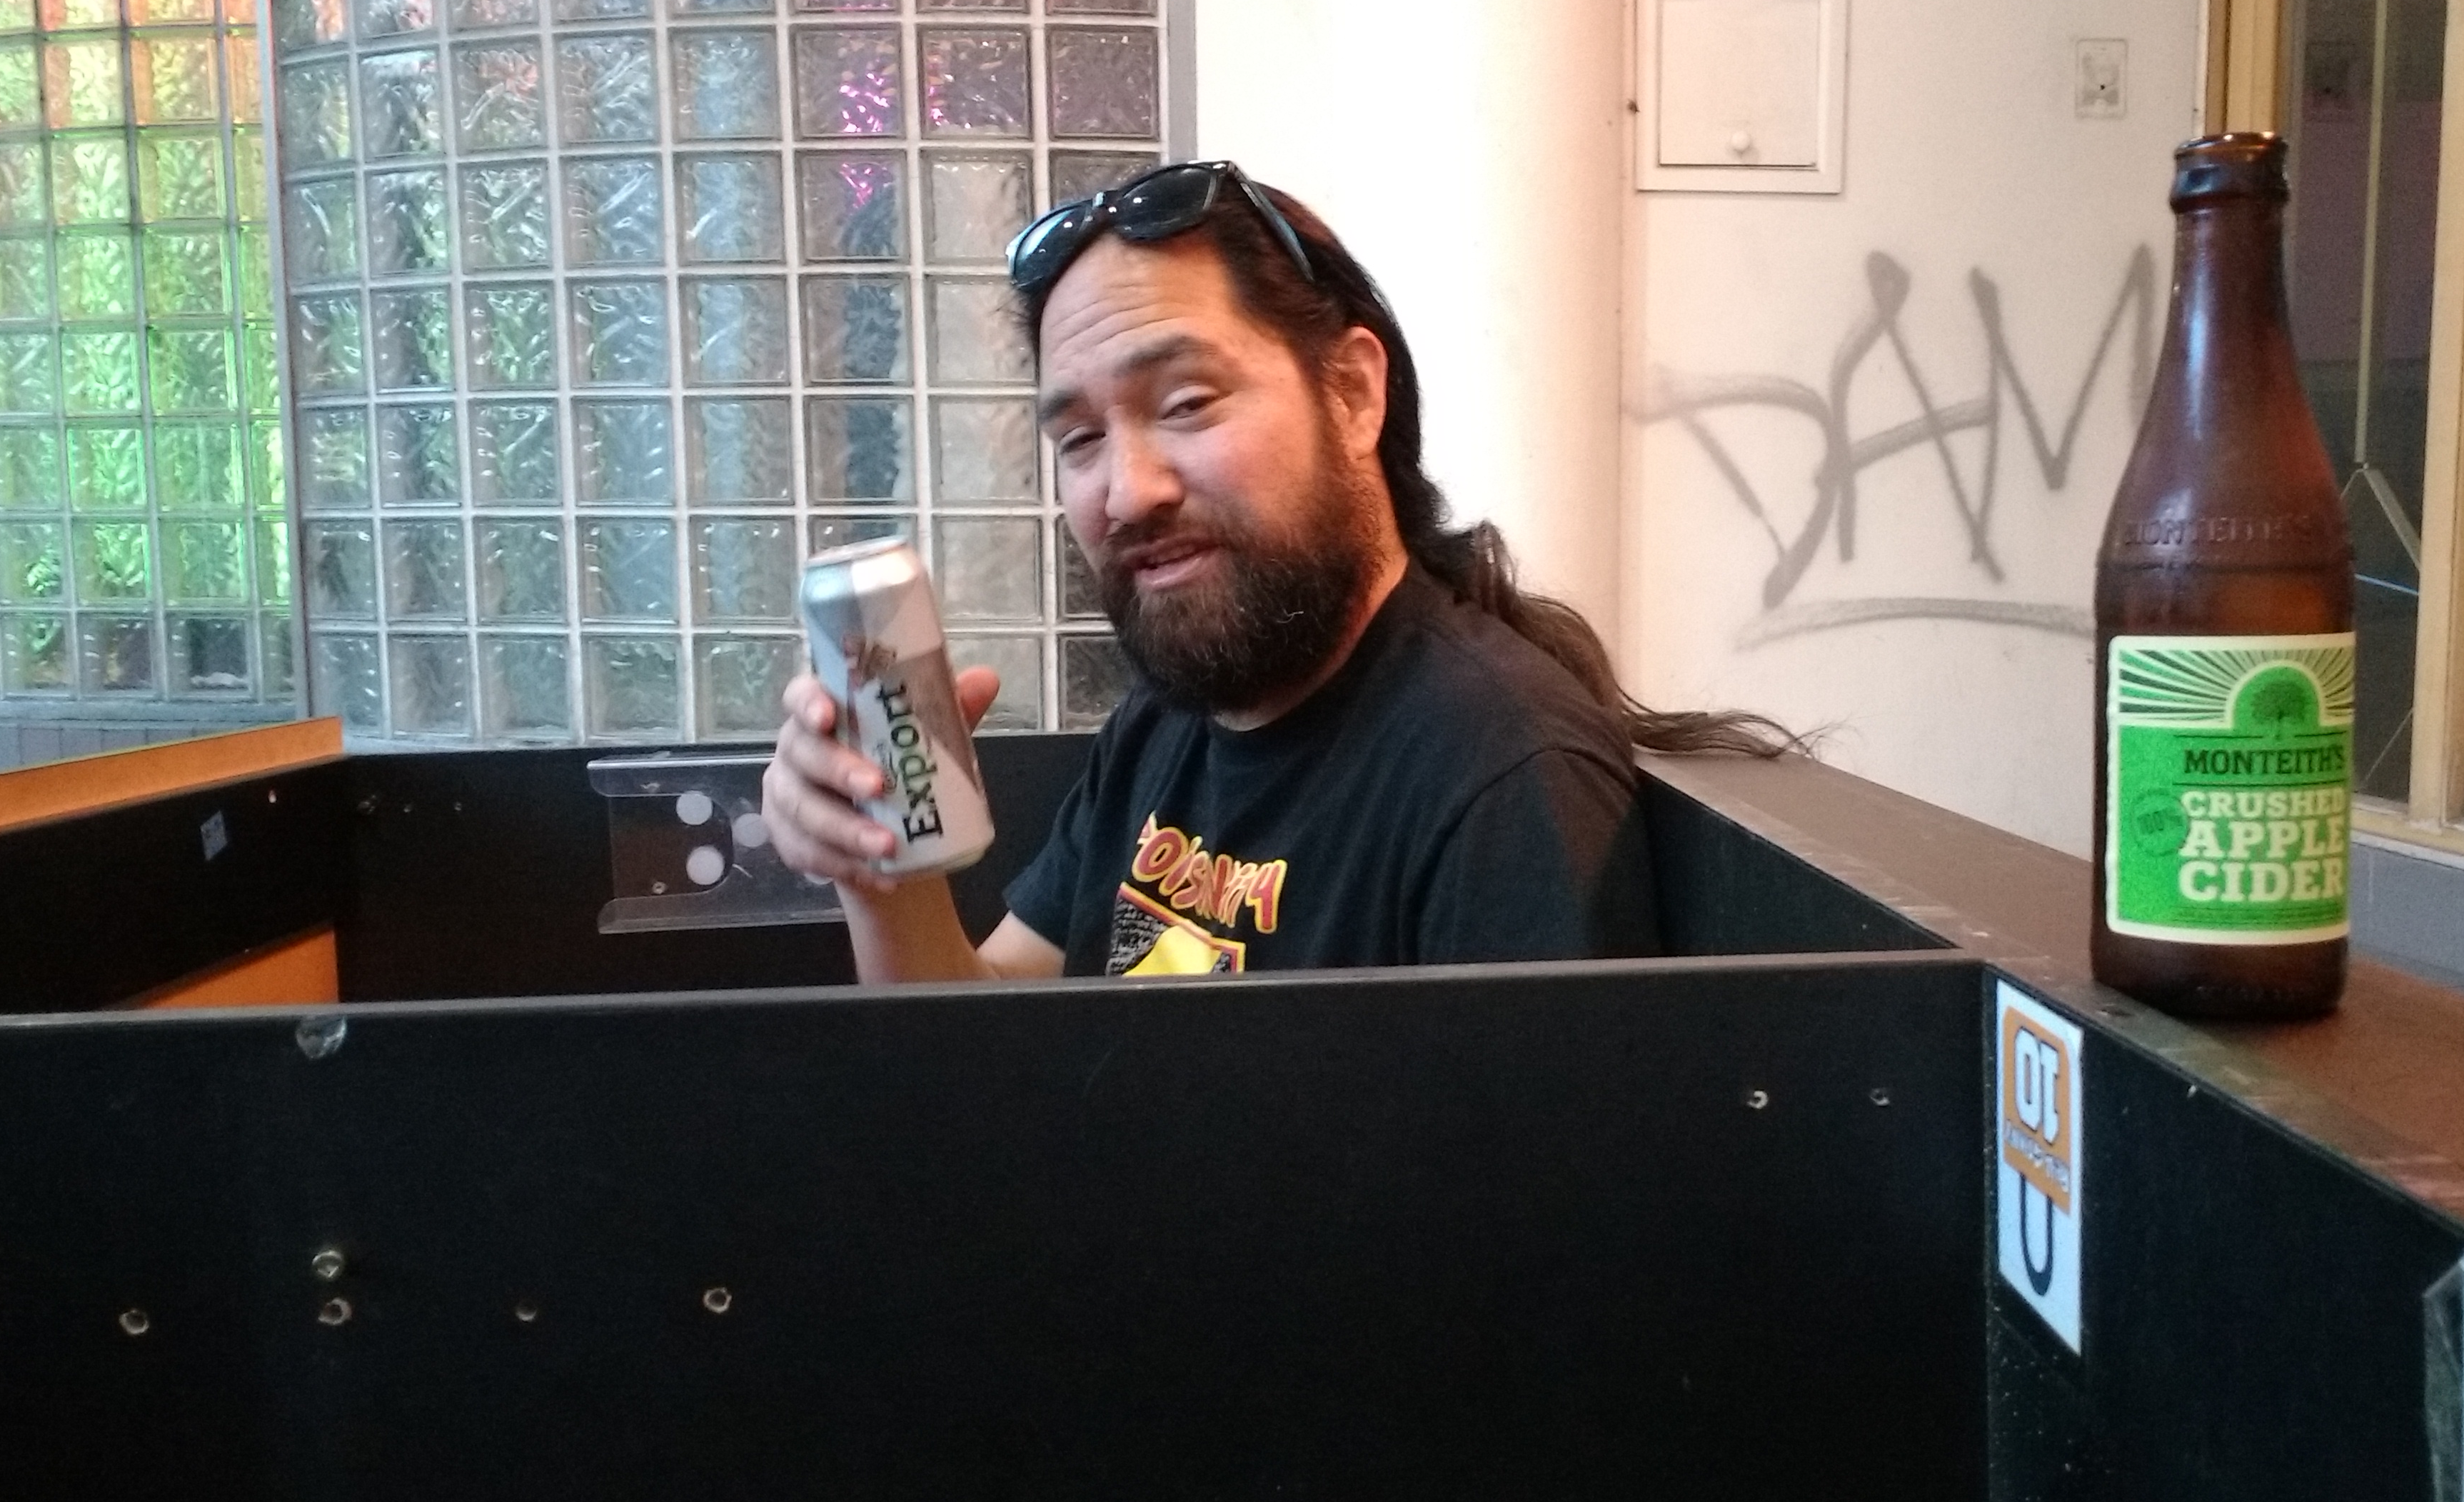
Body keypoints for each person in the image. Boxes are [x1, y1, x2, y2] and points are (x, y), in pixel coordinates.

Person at [763, 161, 1786, 981]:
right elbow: (979, 1048)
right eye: (1079, 439)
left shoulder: (1502, 781)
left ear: (1353, 394)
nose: (1128, 490)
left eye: (1187, 403)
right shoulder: (1164, 726)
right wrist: (881, 870)